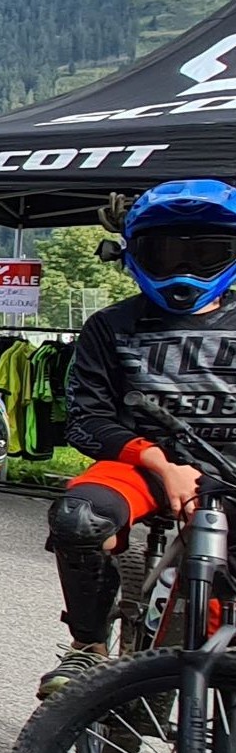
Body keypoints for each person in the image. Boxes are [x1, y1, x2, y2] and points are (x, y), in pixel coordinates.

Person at [39, 179, 236, 700]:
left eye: (205, 253)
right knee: (79, 519)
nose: (184, 267)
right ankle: (88, 644)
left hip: (229, 470)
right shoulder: (111, 326)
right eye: (165, 253)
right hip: (142, 468)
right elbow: (86, 421)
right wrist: (162, 465)